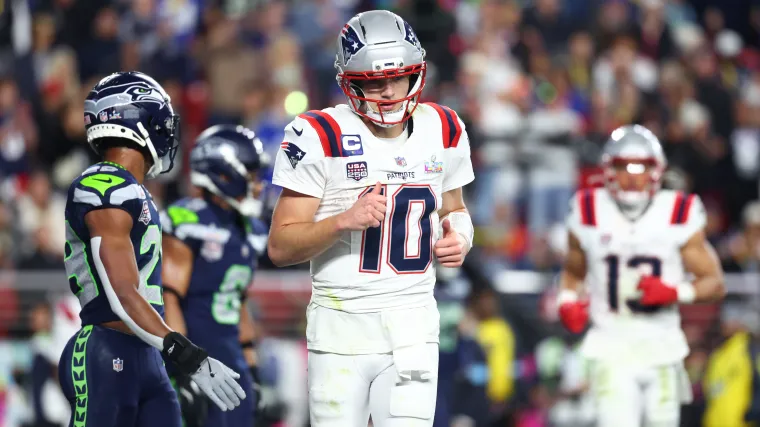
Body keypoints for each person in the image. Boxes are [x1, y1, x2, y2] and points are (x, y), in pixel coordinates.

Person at [267, 10, 475, 427]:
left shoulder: (444, 127)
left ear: (417, 72)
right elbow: (280, 246)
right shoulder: (320, 135)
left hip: (413, 327)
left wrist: (461, 235)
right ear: (349, 82)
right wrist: (341, 221)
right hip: (339, 331)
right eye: (374, 82)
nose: (389, 92)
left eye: (398, 77)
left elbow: (454, 208)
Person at [58, 71, 246, 427]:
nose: (167, 132)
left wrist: (173, 355)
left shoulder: (135, 190)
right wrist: (187, 354)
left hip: (149, 354)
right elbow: (122, 294)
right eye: (162, 121)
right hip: (106, 349)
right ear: (137, 120)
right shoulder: (103, 184)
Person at [557, 124, 726, 427]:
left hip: (661, 346)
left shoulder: (678, 210)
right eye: (623, 166)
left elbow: (715, 283)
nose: (632, 176)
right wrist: (567, 301)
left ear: (657, 170)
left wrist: (675, 292)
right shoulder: (588, 209)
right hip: (611, 346)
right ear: (608, 169)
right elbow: (573, 271)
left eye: (641, 167)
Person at [160, 125, 271, 427]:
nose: (258, 185)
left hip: (231, 361)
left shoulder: (250, 230)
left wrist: (253, 370)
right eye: (252, 175)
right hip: (193, 357)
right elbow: (168, 298)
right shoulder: (187, 220)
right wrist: (183, 367)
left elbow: (238, 304)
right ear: (225, 174)